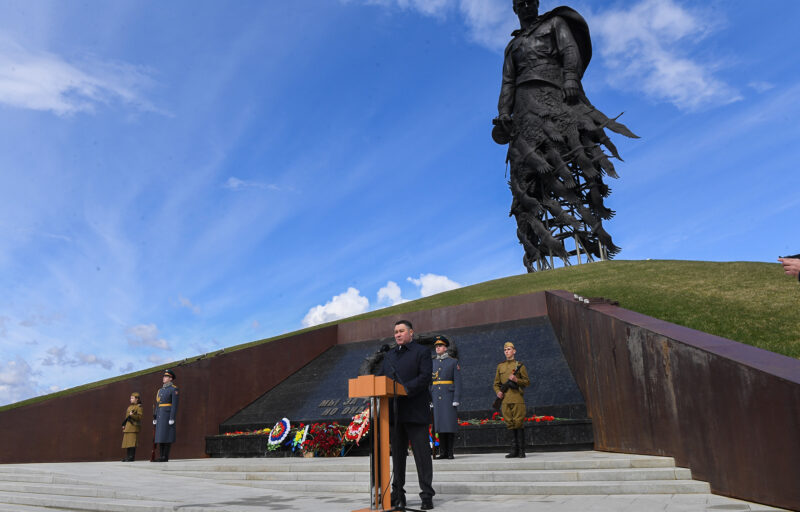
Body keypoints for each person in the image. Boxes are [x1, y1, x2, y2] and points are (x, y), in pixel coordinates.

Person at [493, 0, 637, 271]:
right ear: (514, 9)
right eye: (519, 3)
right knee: (529, 173)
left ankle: (592, 240)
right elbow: (508, 82)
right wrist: (503, 113)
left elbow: (570, 50)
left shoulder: (554, 23)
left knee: (573, 154)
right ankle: (540, 255)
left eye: (529, 1)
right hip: (524, 107)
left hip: (555, 95)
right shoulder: (513, 46)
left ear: (536, 4)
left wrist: (571, 77)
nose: (525, 5)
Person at [378, 320, 435, 510]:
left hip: (415, 410)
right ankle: (397, 494)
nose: (397, 334)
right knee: (398, 457)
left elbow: (425, 377)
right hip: (394, 413)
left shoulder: (421, 352)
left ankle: (426, 495)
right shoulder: (389, 356)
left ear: (411, 332)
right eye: (395, 332)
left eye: (401, 331)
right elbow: (380, 379)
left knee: (422, 456)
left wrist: (404, 389)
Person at [494, 342, 530, 458]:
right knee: (509, 423)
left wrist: (516, 379)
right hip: (505, 400)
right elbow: (496, 384)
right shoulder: (500, 366)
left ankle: (521, 450)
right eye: (505, 350)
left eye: (509, 349)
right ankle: (514, 450)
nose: (507, 352)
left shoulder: (519, 365)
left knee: (518, 423)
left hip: (516, 398)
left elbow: (527, 382)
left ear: (514, 351)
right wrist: (498, 392)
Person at [430, 335, 461, 460]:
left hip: (449, 396)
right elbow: (429, 382)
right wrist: (430, 398)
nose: (438, 348)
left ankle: (450, 452)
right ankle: (442, 452)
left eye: (440, 346)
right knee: (439, 425)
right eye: (436, 346)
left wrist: (456, 398)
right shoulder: (432, 362)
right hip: (436, 397)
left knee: (449, 424)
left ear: (446, 348)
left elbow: (458, 381)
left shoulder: (453, 362)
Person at [152, 369, 179, 462]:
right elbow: (158, 404)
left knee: (166, 436)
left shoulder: (173, 389)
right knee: (160, 436)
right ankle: (161, 456)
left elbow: (174, 405)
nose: (164, 378)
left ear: (170, 378)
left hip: (167, 416)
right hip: (160, 415)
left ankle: (165, 456)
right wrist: (155, 416)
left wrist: (172, 417)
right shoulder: (160, 390)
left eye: (166, 376)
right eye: (164, 376)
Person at [121, 392, 142, 462]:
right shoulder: (129, 407)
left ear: (137, 399)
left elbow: (139, 417)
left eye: (132, 398)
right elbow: (126, 417)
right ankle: (128, 457)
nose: (131, 399)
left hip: (133, 427)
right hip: (128, 427)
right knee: (127, 443)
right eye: (130, 398)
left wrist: (132, 415)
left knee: (132, 443)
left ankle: (131, 457)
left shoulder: (139, 407)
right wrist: (124, 425)